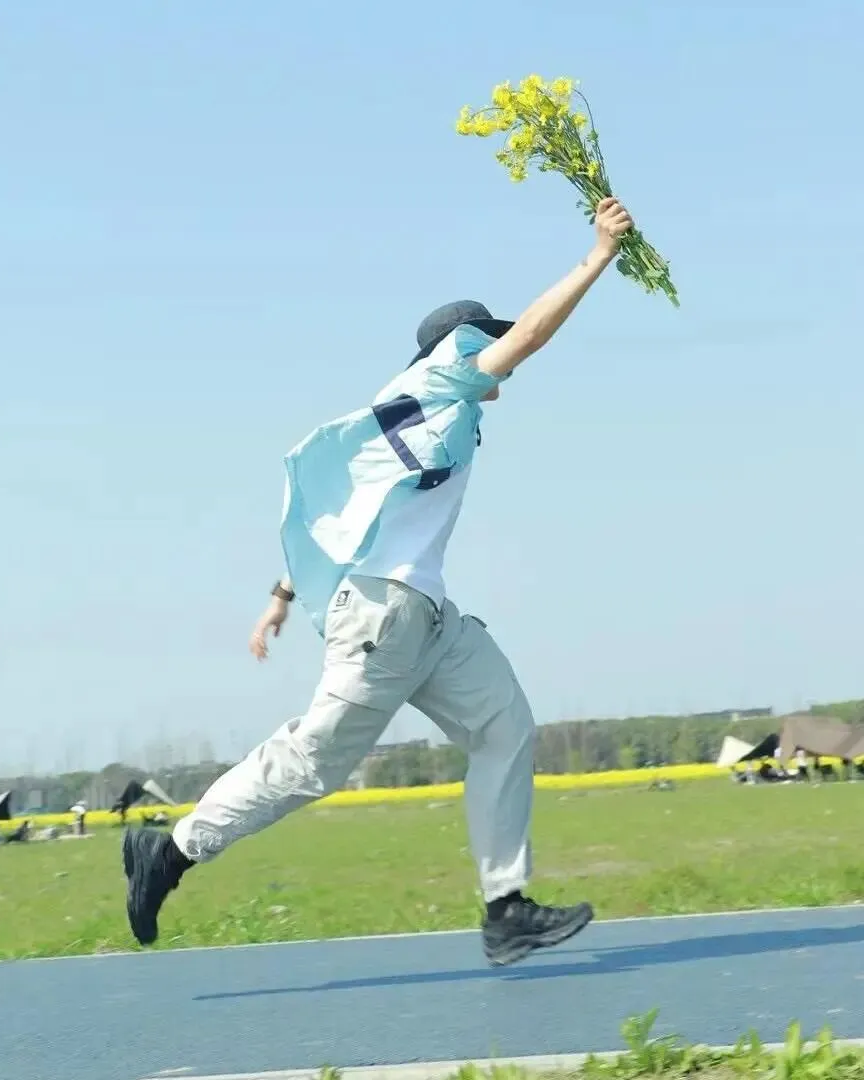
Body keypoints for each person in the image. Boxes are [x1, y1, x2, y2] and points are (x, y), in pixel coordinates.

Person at [123, 196, 636, 967]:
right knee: (314, 762)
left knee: (503, 727)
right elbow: (529, 336)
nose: (496, 355)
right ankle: (169, 853)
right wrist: (598, 256)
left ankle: (506, 910)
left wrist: (280, 597)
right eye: (484, 341)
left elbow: (349, 509)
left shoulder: (421, 413)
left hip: (424, 620)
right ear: (459, 346)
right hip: (383, 619)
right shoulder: (444, 378)